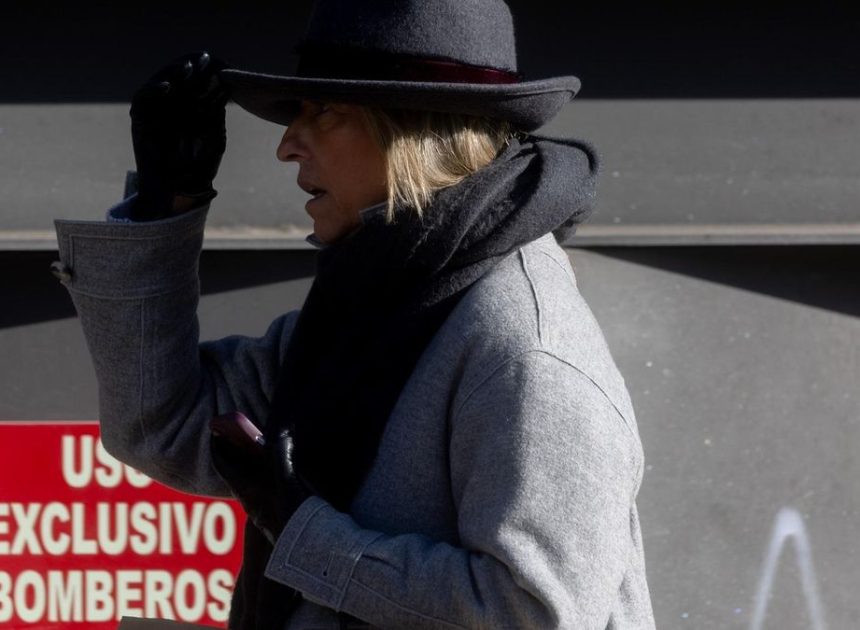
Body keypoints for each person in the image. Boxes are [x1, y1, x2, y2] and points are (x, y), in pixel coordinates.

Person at [52, 0, 655, 628]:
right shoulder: (370, 303)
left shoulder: (523, 345)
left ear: (413, 130)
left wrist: (302, 531)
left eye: (324, 112)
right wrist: (163, 205)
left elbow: (535, 612)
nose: (287, 146)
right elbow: (166, 428)